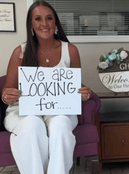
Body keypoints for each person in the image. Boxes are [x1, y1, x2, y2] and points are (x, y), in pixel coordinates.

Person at [1, 1, 92, 174]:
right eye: (38, 19)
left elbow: (75, 85)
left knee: (61, 126)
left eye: (49, 18)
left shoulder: (70, 50)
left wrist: (84, 92)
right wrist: (7, 95)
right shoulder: (20, 52)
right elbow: (7, 90)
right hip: (23, 111)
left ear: (55, 22)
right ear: (31, 24)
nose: (44, 23)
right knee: (32, 125)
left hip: (59, 110)